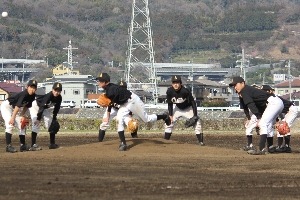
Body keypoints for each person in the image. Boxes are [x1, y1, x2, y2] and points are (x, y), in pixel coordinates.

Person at [95, 72, 169, 151]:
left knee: (146, 119)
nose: (98, 82)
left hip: (133, 101)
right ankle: (123, 143)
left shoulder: (111, 90)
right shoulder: (109, 90)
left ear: (106, 82)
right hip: (125, 104)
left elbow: (111, 100)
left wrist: (108, 103)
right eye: (99, 80)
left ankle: (164, 116)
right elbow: (111, 103)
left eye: (101, 81)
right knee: (119, 119)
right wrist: (108, 111)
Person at [229, 77, 284, 155]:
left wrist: (259, 117)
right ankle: (270, 147)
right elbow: (249, 107)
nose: (235, 87)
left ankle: (261, 149)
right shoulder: (244, 92)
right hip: (276, 102)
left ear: (242, 83)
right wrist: (251, 117)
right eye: (233, 86)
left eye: (236, 84)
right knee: (268, 125)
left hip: (273, 103)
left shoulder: (244, 91)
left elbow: (251, 105)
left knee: (262, 124)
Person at [163, 75, 204, 145]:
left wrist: (195, 115)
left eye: (177, 82)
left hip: (188, 109)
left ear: (180, 83)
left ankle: (201, 142)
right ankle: (166, 141)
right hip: (178, 108)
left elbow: (193, 102)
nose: (175, 84)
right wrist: (170, 115)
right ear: (172, 84)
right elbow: (170, 104)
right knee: (169, 123)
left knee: (197, 123)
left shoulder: (185, 91)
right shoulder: (169, 91)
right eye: (174, 82)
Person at [1, 80, 37, 153]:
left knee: (22, 124)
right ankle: (8, 146)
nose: (32, 89)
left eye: (34, 88)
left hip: (14, 108)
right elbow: (17, 106)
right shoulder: (24, 94)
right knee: (10, 124)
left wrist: (22, 116)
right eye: (31, 87)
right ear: (27, 87)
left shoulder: (33, 96)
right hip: (6, 106)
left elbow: (26, 106)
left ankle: (23, 145)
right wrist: (12, 118)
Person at [261, 85, 298, 153]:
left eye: (265, 91)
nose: (263, 93)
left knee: (284, 127)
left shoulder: (274, 98)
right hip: (287, 111)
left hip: (291, 109)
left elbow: (280, 109)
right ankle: (280, 146)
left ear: (270, 91)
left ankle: (287, 147)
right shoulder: (269, 99)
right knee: (280, 128)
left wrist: (280, 120)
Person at [28, 82, 63, 150]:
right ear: (52, 90)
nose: (56, 92)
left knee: (51, 123)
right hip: (35, 106)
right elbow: (41, 107)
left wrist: (54, 118)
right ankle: (33, 144)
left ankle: (52, 144)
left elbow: (57, 108)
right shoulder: (48, 96)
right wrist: (38, 119)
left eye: (58, 91)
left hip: (42, 108)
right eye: (55, 90)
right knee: (36, 123)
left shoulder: (59, 98)